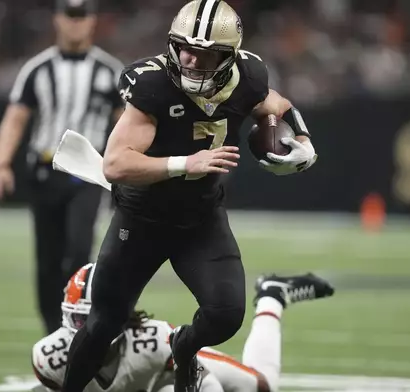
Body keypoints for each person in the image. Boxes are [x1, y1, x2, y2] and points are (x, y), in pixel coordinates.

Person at [61, 1, 319, 391]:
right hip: (141, 218)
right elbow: (115, 165)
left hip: (200, 218)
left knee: (226, 314)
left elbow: (274, 104)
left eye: (204, 53)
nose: (189, 59)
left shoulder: (246, 76)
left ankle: (184, 347)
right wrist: (185, 163)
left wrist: (302, 140)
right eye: (184, 48)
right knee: (103, 325)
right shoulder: (152, 84)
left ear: (228, 58)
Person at [0, 0, 124, 334]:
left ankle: (76, 323)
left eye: (82, 16)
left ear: (93, 21)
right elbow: (16, 118)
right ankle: (53, 333)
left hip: (88, 173)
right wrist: (1, 164)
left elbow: (127, 124)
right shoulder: (38, 68)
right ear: (57, 20)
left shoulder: (110, 70)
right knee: (47, 259)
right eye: (69, 16)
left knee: (79, 247)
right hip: (45, 171)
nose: (75, 23)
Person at [31, 263, 335, 392]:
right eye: (79, 320)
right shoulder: (50, 358)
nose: (87, 328)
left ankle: (272, 296)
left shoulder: (155, 341)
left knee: (262, 385)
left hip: (179, 378)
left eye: (93, 318)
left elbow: (201, 381)